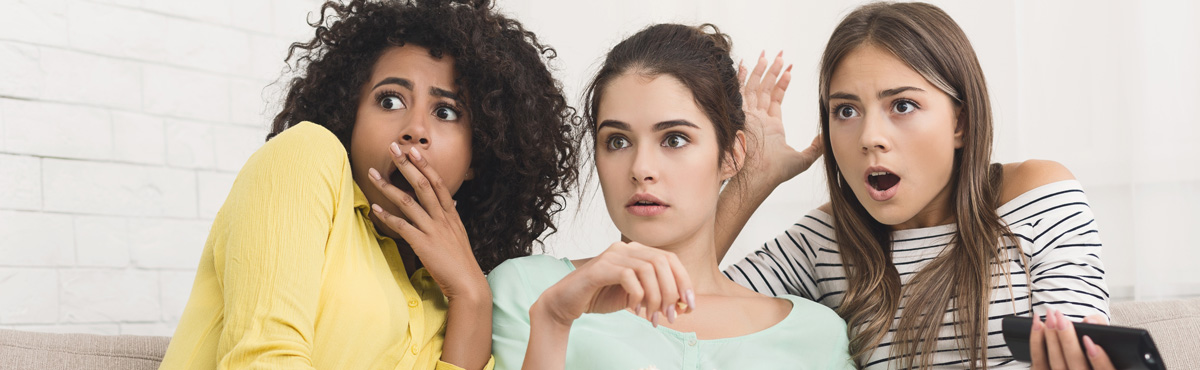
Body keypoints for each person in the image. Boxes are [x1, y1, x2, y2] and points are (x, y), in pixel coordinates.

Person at [158, 0, 578, 369]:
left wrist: (472, 296)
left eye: (447, 112)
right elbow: (263, 359)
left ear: (478, 156)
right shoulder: (306, 156)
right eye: (390, 100)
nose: (415, 130)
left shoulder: (450, 289)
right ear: (351, 118)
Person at [718, 2, 1116, 369]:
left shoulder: (1035, 195)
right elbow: (678, 309)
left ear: (960, 122)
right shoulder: (824, 242)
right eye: (846, 110)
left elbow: (1077, 345)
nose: (869, 137)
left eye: (902, 105)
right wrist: (751, 179)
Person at [487, 23, 854, 370]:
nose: (641, 168)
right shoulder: (529, 290)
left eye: (674, 139)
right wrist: (553, 320)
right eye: (617, 141)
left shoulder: (815, 335)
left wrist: (755, 179)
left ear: (732, 155)